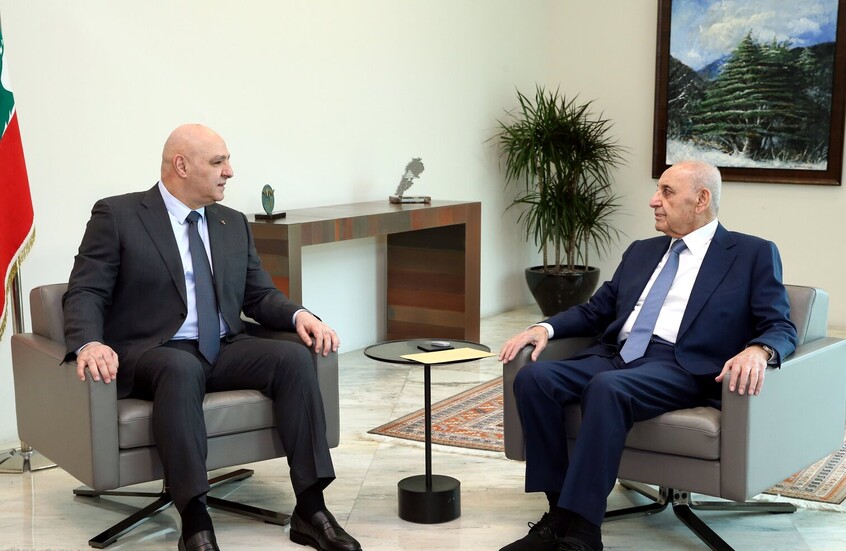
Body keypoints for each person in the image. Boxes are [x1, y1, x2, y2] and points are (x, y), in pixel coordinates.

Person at [63, 124, 361, 551]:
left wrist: (300, 315)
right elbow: (86, 290)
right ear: (181, 166)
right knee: (181, 368)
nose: (229, 171)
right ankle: (195, 520)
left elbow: (258, 294)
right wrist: (89, 342)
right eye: (218, 162)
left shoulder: (230, 221)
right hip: (154, 351)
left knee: (293, 358)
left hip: (222, 346)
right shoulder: (119, 214)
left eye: (227, 161)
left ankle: (311, 510)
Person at [497, 160, 797, 551]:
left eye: (667, 192)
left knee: (608, 388)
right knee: (535, 378)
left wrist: (759, 349)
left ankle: (584, 532)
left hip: (680, 365)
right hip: (618, 354)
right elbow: (597, 310)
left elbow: (780, 324)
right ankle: (559, 517)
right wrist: (545, 328)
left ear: (701, 199)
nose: (654, 200)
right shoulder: (642, 251)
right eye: (658, 190)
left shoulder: (751, 253)